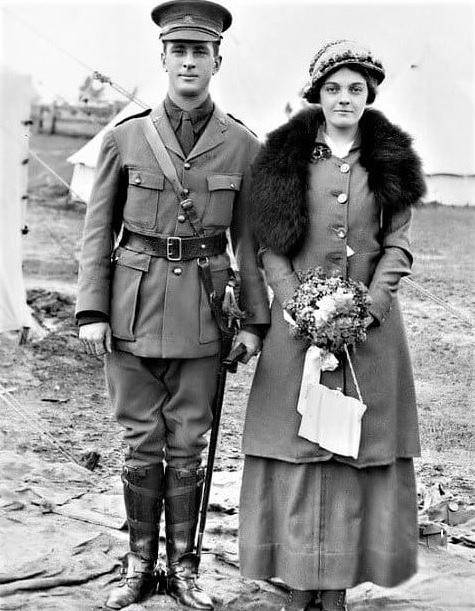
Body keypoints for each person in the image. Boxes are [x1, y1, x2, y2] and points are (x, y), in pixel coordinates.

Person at [75, 1, 269, 609]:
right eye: (179, 51)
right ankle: (137, 567)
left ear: (218, 60)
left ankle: (184, 570)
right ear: (163, 58)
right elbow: (95, 229)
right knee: (140, 440)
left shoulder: (242, 145)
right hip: (130, 309)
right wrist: (92, 311)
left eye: (200, 52)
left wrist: (256, 322)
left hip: (206, 315)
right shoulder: (126, 136)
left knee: (190, 441)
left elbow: (250, 242)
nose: (189, 61)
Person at [239, 40, 426, 611]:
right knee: (297, 451)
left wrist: (366, 308)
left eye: (356, 89)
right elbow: (270, 244)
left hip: (370, 336)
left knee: (351, 456)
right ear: (316, 95)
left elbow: (398, 247)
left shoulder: (389, 162)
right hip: (296, 334)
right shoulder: (283, 160)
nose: (345, 98)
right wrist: (297, 305)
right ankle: (297, 585)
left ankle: (337, 586)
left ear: (369, 95)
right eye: (333, 88)